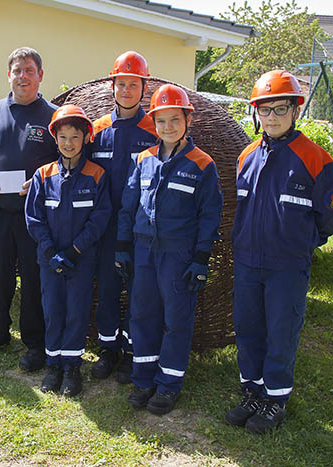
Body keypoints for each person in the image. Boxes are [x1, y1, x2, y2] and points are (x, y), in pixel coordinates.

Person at [226, 70, 333, 433]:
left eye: (280, 109)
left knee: (281, 330)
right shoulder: (246, 156)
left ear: (295, 111)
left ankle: (275, 400)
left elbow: (326, 220)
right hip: (247, 262)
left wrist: (297, 245)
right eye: (265, 109)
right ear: (256, 113)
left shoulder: (317, 159)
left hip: (287, 266)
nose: (271, 117)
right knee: (248, 327)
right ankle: (252, 391)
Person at [117, 84, 222, 415]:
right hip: (144, 250)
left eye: (174, 119)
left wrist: (201, 258)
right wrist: (123, 247)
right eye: (161, 121)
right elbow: (128, 206)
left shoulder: (203, 164)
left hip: (178, 255)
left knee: (176, 320)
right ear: (154, 124)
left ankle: (168, 385)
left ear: (187, 120)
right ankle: (144, 379)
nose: (167, 128)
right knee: (142, 315)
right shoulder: (143, 159)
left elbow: (210, 216)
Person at [0, 47, 58, 371]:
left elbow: (68, 160)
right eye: (17, 71)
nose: (23, 76)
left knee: (33, 279)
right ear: (9, 75)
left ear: (40, 75)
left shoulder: (53, 116)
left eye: (29, 70)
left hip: (36, 216)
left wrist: (43, 181)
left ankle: (35, 343)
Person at [25, 105, 112, 396]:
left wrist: (74, 251)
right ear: (55, 138)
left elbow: (99, 219)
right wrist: (51, 252)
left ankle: (72, 366)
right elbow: (34, 218)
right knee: (53, 311)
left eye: (75, 137)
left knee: (76, 310)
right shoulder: (42, 175)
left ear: (86, 138)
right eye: (63, 137)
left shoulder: (97, 175)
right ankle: (53, 364)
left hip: (81, 260)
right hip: (49, 261)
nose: (68, 143)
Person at [89, 51, 157, 384]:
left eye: (133, 84)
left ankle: (132, 352)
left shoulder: (154, 129)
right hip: (104, 229)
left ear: (143, 87)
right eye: (121, 84)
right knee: (109, 289)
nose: (127, 90)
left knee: (139, 292)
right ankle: (108, 350)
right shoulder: (98, 129)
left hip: (142, 231)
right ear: (112, 86)